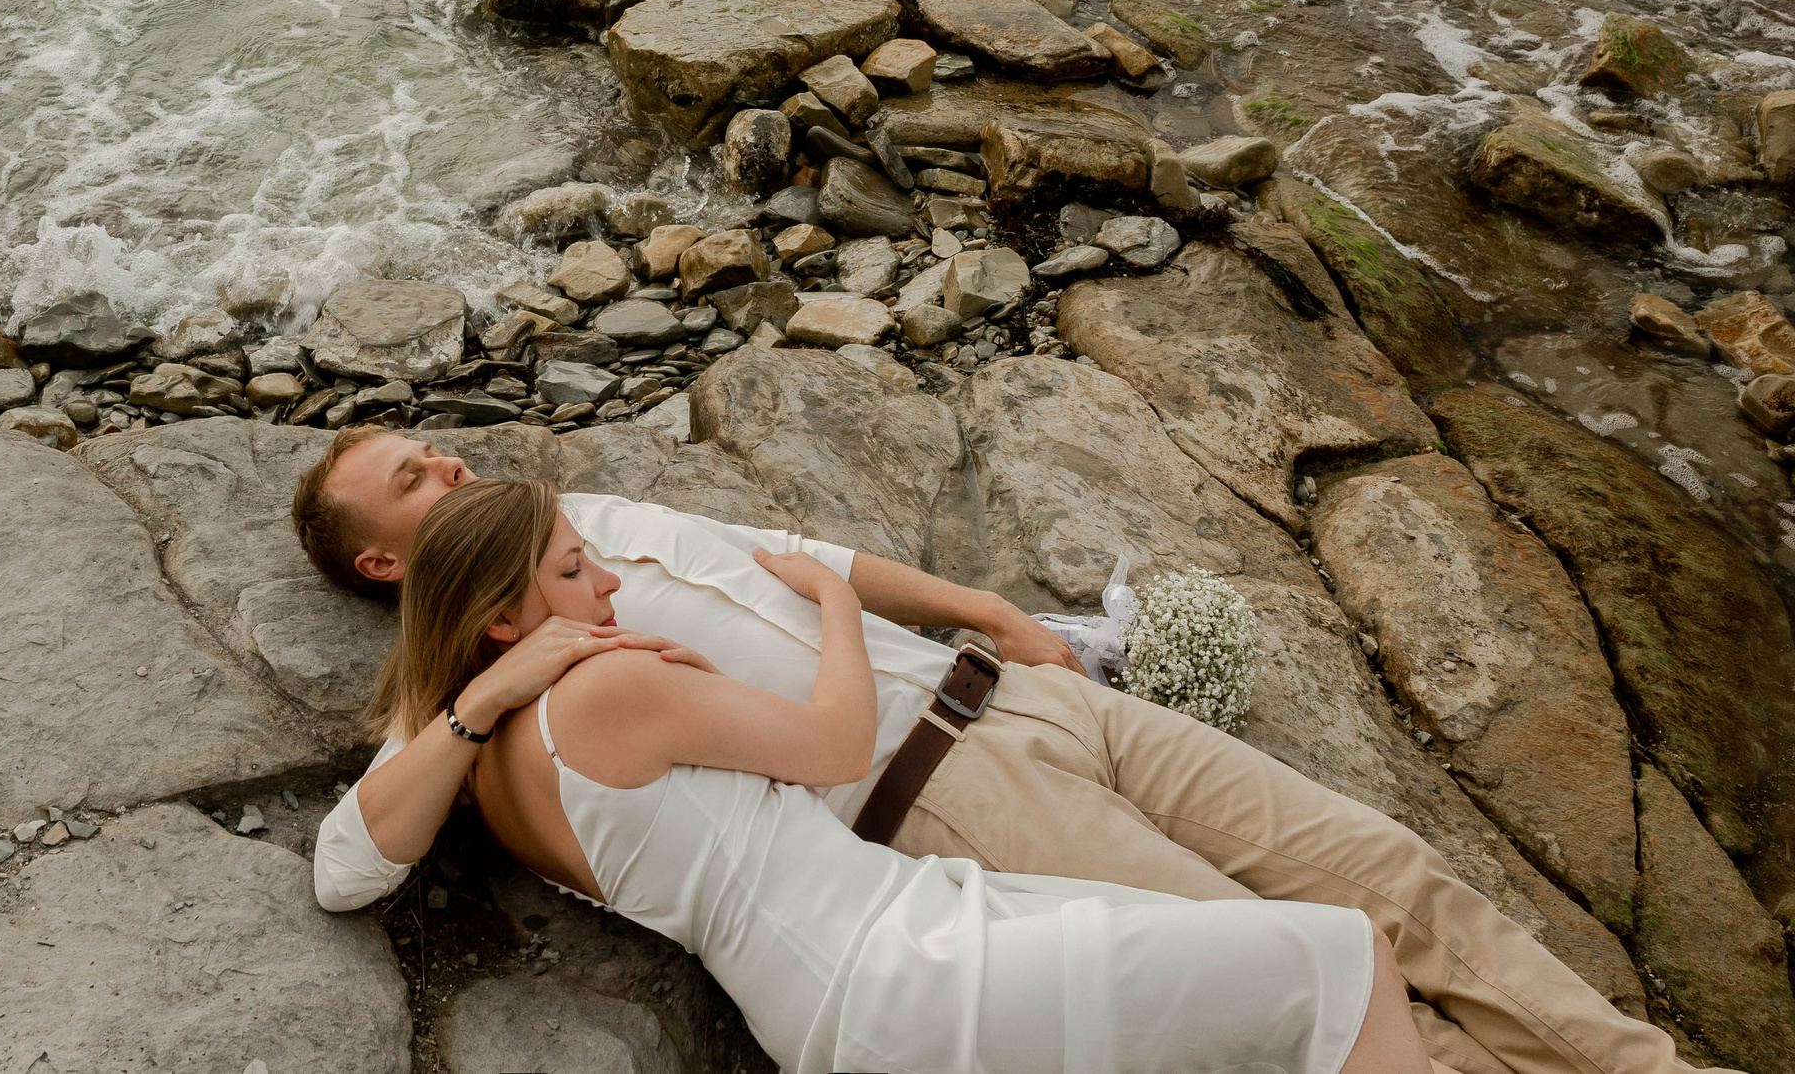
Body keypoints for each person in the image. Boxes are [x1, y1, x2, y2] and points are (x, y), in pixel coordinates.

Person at [297, 427, 1723, 1074]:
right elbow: (354, 856)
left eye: (435, 446)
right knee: (1297, 982)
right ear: (383, 561)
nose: (451, 463)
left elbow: (794, 552)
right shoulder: (486, 661)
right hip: (941, 802)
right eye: (414, 477)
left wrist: (984, 610)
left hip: (1024, 696)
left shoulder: (588, 515)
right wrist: (497, 686)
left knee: (1384, 868)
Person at [383, 478, 1431, 1074]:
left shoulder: (476, 757)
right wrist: (834, 603)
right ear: (502, 620)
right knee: (1345, 958)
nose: (608, 580)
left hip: (863, 975)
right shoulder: (603, 691)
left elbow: (356, 855)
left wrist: (482, 698)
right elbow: (839, 745)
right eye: (574, 570)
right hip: (903, 967)